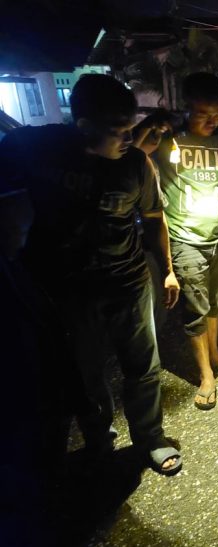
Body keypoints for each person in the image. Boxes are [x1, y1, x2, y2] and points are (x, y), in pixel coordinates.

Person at [0, 74, 182, 475]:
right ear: (83, 126)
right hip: (70, 290)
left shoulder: (136, 163)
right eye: (118, 132)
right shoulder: (36, 149)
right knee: (86, 373)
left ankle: (150, 437)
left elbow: (154, 219)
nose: (129, 139)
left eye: (131, 129)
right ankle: (98, 440)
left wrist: (167, 272)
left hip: (130, 281)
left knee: (143, 367)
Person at [139, 72, 218, 410]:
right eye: (203, 114)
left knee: (215, 303)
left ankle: (216, 355)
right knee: (195, 310)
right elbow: (134, 151)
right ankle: (205, 375)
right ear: (186, 109)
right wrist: (155, 124)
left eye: (216, 113)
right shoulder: (168, 138)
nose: (211, 120)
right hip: (185, 239)